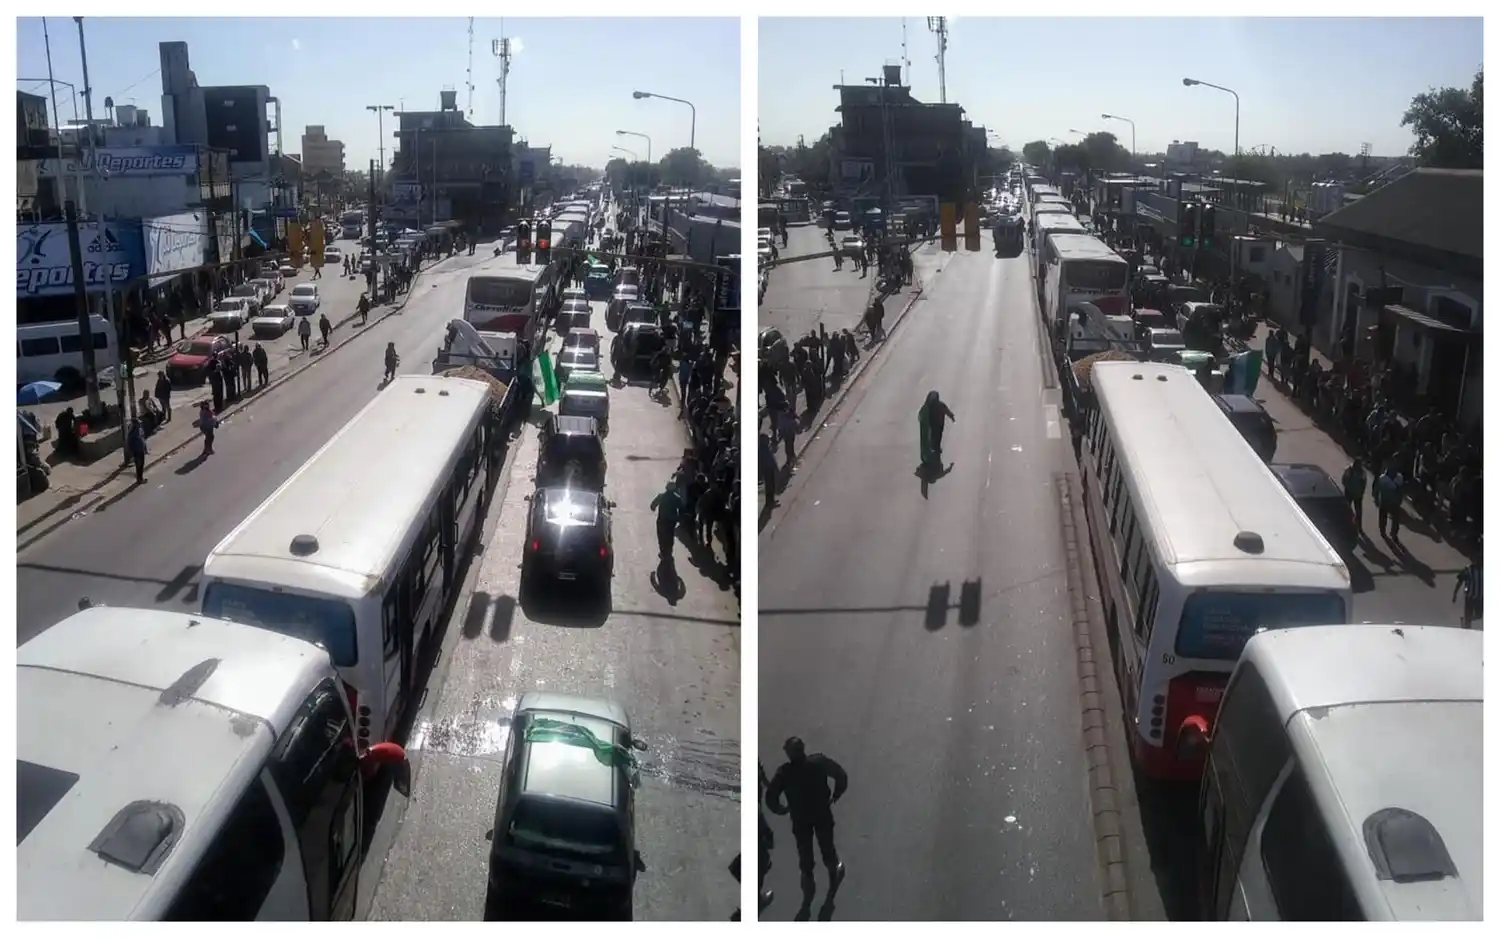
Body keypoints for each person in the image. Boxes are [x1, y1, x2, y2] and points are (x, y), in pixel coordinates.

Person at [765, 737, 848, 902]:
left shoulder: (784, 773)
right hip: (822, 813)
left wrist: (782, 810)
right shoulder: (819, 762)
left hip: (800, 818)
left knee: (805, 853)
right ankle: (834, 872)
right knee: (827, 845)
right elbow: (840, 775)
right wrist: (836, 794)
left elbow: (771, 798)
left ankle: (808, 885)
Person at [918, 390, 956, 464]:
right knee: (934, 436)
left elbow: (946, 411)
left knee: (938, 437)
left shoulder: (935, 405)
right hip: (934, 424)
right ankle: (934, 447)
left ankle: (936, 447)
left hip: (938, 424)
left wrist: (951, 416)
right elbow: (922, 415)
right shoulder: (928, 407)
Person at [1453, 552, 1482, 629]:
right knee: (1468, 615)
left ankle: (1468, 619)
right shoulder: (1468, 570)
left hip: (1480, 598)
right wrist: (1455, 594)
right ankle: (1466, 625)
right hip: (1470, 597)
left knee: (1479, 615)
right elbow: (1460, 582)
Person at [1341, 458, 1367, 536]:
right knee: (1346, 509)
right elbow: (1344, 480)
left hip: (1358, 495)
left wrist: (1361, 492)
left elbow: (1364, 483)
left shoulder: (1362, 472)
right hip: (1349, 493)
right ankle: (1344, 524)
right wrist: (1348, 488)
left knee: (1359, 512)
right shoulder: (1349, 470)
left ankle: (1359, 527)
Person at [125, 419, 148, 484]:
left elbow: (143, 439)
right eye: (138, 423)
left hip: (141, 450)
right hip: (136, 451)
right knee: (138, 465)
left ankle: (141, 478)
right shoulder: (132, 432)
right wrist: (131, 453)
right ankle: (139, 479)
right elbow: (129, 443)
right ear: (135, 424)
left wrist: (145, 448)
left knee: (142, 465)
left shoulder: (140, 430)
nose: (140, 424)